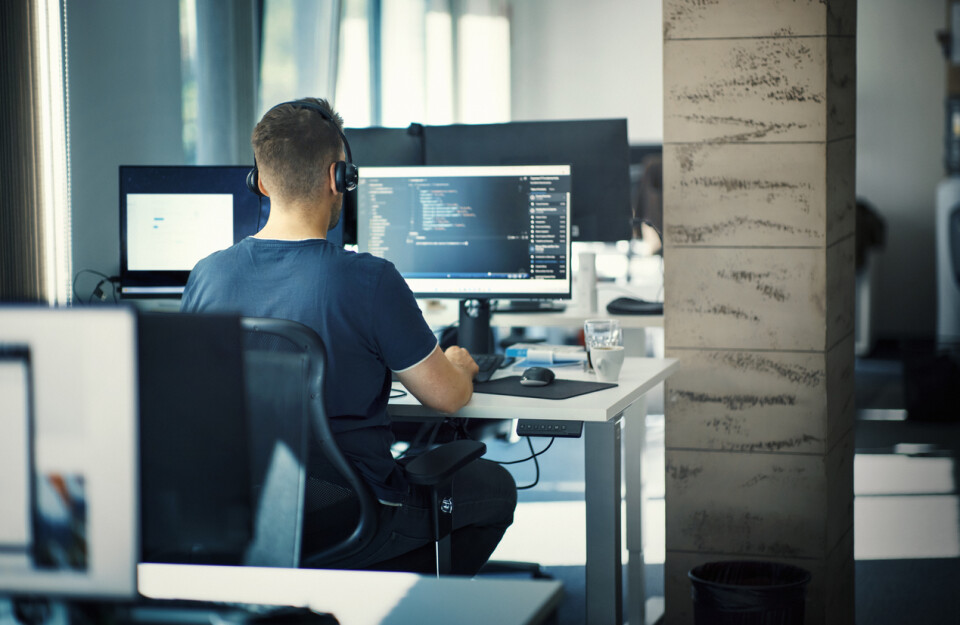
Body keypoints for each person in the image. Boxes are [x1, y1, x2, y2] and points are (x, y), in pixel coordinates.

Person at [180, 97, 516, 575]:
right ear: (340, 178)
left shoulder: (207, 275)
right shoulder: (369, 279)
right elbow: (446, 399)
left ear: (258, 181)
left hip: (243, 514)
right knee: (495, 486)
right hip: (351, 517)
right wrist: (459, 366)